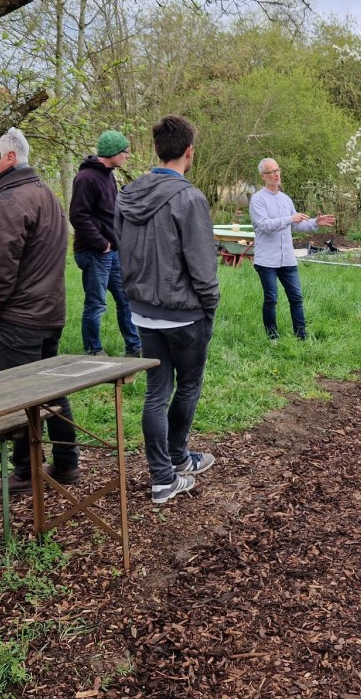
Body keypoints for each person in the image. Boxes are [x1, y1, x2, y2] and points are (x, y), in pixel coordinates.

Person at [117, 116, 221, 504]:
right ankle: (170, 468)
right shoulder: (189, 198)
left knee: (156, 394)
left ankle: (168, 471)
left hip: (143, 310)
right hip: (183, 312)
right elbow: (202, 265)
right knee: (188, 384)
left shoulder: (127, 193)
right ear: (189, 152)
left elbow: (120, 246)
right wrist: (210, 306)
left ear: (156, 150)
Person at [0, 128, 78, 494]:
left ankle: (26, 472)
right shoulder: (41, 193)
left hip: (19, 317)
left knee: (20, 397)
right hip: (48, 311)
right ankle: (66, 465)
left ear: (9, 158)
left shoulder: (11, 201)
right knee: (52, 392)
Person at [69, 130, 141, 358]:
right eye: (125, 152)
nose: (127, 156)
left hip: (112, 251)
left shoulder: (108, 175)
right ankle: (93, 350)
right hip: (94, 252)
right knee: (96, 303)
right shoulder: (86, 178)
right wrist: (101, 244)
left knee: (125, 298)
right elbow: (78, 216)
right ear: (112, 153)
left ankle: (134, 346)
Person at [249, 158, 335, 340]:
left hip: (287, 258)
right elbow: (264, 225)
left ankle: (301, 336)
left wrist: (315, 223)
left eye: (277, 170)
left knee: (296, 298)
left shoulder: (286, 199)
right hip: (267, 260)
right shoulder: (258, 200)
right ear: (263, 176)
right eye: (271, 172)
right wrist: (290, 219)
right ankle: (272, 337)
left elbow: (297, 225)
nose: (276, 174)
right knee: (271, 299)